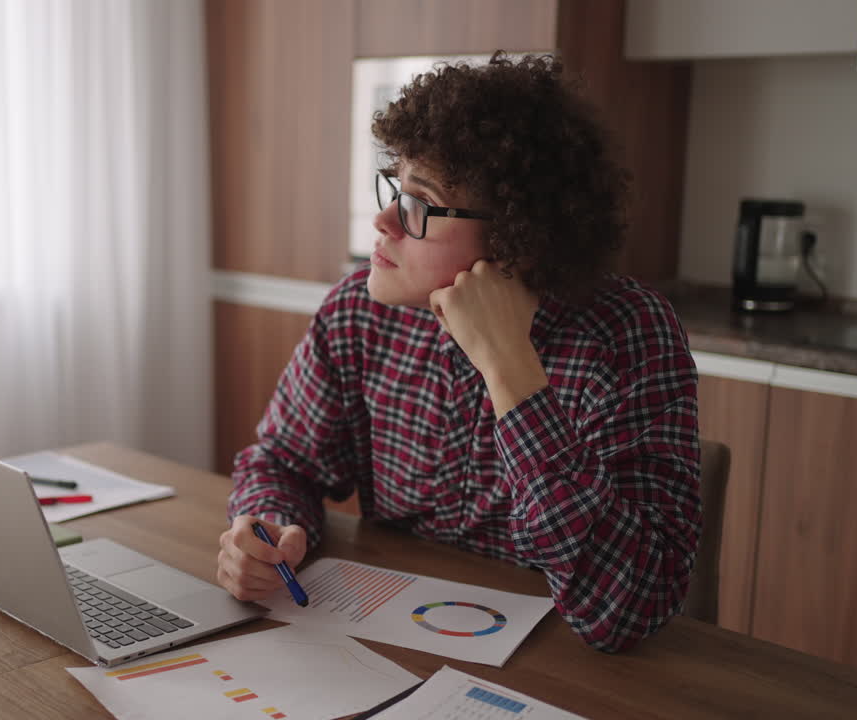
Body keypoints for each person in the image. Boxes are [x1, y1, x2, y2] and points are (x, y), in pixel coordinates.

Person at [216, 52, 702, 653]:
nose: (384, 218)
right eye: (396, 186)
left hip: (560, 671)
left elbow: (628, 610)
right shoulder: (358, 312)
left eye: (419, 203)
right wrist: (269, 529)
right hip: (390, 646)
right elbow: (284, 460)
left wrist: (509, 369)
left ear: (514, 236)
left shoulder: (626, 334)